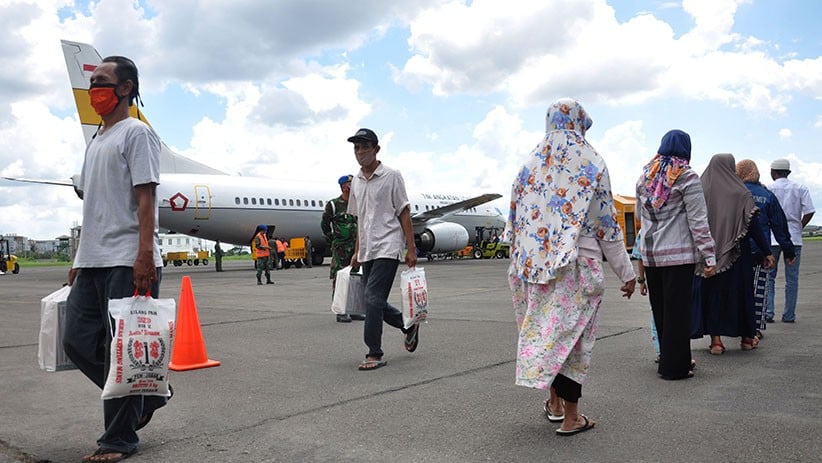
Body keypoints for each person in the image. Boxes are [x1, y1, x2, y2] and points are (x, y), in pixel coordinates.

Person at [504, 99, 636, 436]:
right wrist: (626, 273)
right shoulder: (592, 161)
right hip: (577, 265)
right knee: (573, 339)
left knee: (546, 333)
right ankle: (571, 417)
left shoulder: (529, 163)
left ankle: (555, 403)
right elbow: (607, 226)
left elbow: (514, 223)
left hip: (531, 266)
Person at [62, 55, 168, 462]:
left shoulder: (136, 134)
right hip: (93, 260)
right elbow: (94, 207)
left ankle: (118, 439)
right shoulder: (97, 140)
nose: (95, 90)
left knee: (121, 350)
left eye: (103, 82)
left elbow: (146, 199)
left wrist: (145, 255)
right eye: (93, 84)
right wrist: (79, 257)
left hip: (128, 258)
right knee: (76, 341)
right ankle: (149, 394)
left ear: (125, 88)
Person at [636, 129, 716, 380]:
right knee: (678, 313)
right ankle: (676, 367)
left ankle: (667, 361)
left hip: (651, 256)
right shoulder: (687, 177)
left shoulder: (645, 177)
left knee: (661, 312)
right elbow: (698, 221)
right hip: (678, 256)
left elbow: (639, 216)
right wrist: (709, 255)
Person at [346, 128, 420, 371]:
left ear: (376, 149)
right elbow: (361, 218)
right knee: (373, 300)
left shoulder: (391, 176)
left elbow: (404, 211)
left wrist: (411, 248)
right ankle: (407, 325)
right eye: (356, 148)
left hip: (388, 245)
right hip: (368, 248)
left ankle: (374, 352)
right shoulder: (356, 181)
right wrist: (357, 250)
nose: (360, 152)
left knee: (373, 298)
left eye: (364, 147)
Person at [694, 153, 774, 354]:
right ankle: (747, 338)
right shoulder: (740, 192)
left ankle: (716, 342)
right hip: (737, 254)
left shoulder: (700, 190)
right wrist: (767, 251)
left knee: (713, 296)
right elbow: (753, 225)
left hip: (708, 256)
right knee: (742, 293)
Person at [735, 160, 794, 339]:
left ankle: (737, 325)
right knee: (758, 290)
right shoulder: (767, 195)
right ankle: (755, 328)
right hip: (759, 250)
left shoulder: (733, 193)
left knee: (737, 289)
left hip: (735, 251)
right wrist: (788, 250)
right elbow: (779, 225)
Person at [765, 158, 815, 323]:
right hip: (794, 237)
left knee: (769, 277)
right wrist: (800, 225)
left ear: (773, 172)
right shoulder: (800, 188)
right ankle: (789, 315)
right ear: (788, 172)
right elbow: (809, 210)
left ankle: (768, 312)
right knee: (792, 279)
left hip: (772, 237)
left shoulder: (768, 188)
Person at [321, 174, 362, 323]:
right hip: (340, 248)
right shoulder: (333, 205)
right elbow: (325, 225)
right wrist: (333, 240)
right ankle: (341, 311)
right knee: (340, 279)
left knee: (356, 278)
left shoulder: (357, 204)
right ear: (345, 187)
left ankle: (354, 309)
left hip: (355, 247)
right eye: (351, 184)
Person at [631, 227, 660, 362]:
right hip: (670, 276)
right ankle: (666, 350)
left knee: (657, 314)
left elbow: (640, 257)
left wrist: (642, 281)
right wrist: (641, 281)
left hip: (654, 278)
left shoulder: (645, 229)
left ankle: (661, 351)